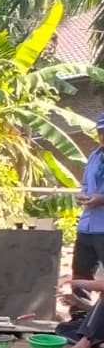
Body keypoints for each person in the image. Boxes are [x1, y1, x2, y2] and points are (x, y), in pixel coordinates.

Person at [66, 112, 104, 315]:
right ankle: (79, 316)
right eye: (101, 133)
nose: (103, 137)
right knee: (81, 272)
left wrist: (102, 199)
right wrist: (83, 196)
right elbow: (87, 185)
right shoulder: (95, 156)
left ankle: (98, 322)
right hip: (87, 225)